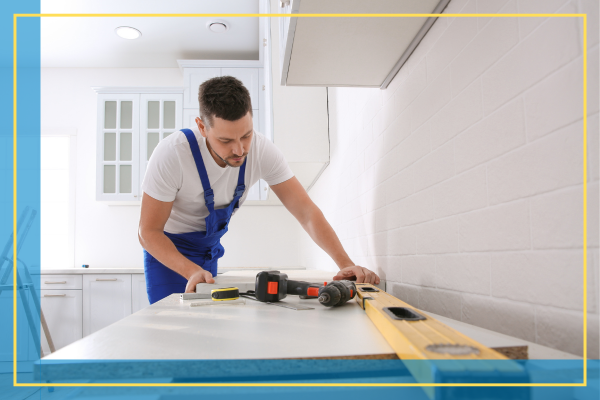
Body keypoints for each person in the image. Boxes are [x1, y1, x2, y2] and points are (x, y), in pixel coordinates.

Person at [138, 76, 380, 304]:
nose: (239, 150)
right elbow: (148, 232)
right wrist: (190, 270)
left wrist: (346, 264)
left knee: (205, 329)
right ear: (202, 127)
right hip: (167, 252)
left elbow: (306, 213)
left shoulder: (263, 151)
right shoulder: (172, 155)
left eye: (246, 135)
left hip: (208, 253)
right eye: (225, 141)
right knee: (170, 330)